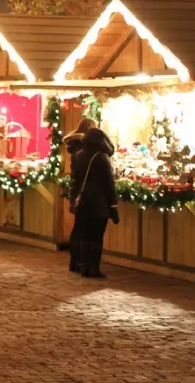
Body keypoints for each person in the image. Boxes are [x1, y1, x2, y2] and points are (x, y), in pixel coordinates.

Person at [70, 127, 119, 278]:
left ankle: (84, 267)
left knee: (85, 235)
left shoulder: (78, 156)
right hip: (99, 203)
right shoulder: (102, 158)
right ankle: (94, 268)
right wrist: (113, 205)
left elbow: (74, 181)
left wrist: (73, 199)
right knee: (97, 236)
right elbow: (109, 184)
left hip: (83, 202)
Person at [63, 118, 98, 272]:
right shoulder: (83, 149)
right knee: (82, 229)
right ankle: (79, 260)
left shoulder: (75, 147)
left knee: (78, 227)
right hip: (83, 192)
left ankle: (75, 259)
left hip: (77, 190)